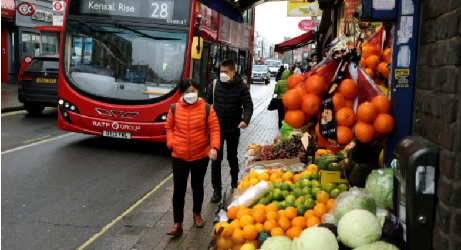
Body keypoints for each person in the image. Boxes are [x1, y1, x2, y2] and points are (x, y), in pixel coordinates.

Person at [165, 79, 221, 236]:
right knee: (179, 190)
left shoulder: (207, 109)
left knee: (197, 187)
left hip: (200, 155)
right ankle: (177, 224)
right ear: (182, 93)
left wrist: (214, 148)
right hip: (179, 156)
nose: (191, 94)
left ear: (198, 91)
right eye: (187, 91)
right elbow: (168, 127)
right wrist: (171, 143)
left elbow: (215, 129)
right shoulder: (174, 108)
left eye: (193, 90)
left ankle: (197, 214)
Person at [206, 59, 253, 203]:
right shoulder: (214, 85)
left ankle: (234, 180)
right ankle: (217, 191)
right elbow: (207, 105)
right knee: (216, 160)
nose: (223, 74)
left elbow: (248, 106)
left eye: (226, 72)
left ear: (233, 72)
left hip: (233, 128)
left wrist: (245, 120)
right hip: (216, 129)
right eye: (221, 71)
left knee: (232, 157)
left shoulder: (242, 87)